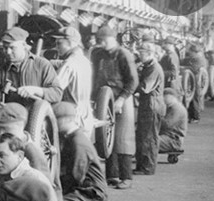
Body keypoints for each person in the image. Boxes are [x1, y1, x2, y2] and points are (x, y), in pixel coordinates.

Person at [90, 25, 138, 189]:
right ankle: (112, 176)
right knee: (106, 138)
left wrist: (122, 99)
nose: (101, 44)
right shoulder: (98, 54)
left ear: (113, 39)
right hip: (104, 100)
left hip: (122, 98)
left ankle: (126, 177)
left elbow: (133, 81)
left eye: (104, 41)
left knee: (123, 138)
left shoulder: (124, 54)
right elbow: (94, 76)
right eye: (99, 41)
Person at [53, 102, 108, 201]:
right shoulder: (72, 137)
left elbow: (75, 176)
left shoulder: (78, 142)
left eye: (56, 121)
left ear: (66, 120)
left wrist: (57, 193)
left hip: (91, 194)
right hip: (86, 190)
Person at [0, 27, 63, 109]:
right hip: (13, 114)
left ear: (24, 45)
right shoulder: (1, 72)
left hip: (38, 114)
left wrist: (36, 90)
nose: (8, 52)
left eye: (12, 48)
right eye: (5, 48)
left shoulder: (42, 65)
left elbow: (57, 94)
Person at [48, 27, 94, 137]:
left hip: (72, 120)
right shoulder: (84, 61)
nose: (56, 47)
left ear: (71, 43)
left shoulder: (69, 64)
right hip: (85, 116)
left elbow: (54, 90)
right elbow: (62, 63)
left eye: (59, 43)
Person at [134, 42, 166, 175]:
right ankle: (142, 166)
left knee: (149, 137)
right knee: (142, 135)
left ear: (149, 54)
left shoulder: (154, 68)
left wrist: (130, 85)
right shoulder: (148, 66)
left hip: (152, 104)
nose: (139, 56)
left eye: (141, 53)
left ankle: (148, 168)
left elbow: (144, 88)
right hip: (147, 103)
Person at [158, 87, 188, 164]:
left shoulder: (176, 109)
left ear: (171, 97)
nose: (163, 100)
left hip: (173, 140)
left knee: (150, 141)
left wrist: (157, 118)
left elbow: (167, 124)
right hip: (170, 137)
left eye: (164, 97)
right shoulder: (172, 107)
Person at [183, 43, 208, 123]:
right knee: (193, 99)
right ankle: (192, 116)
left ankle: (195, 117)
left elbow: (194, 69)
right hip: (193, 80)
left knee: (194, 99)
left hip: (196, 80)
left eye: (190, 51)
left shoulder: (198, 59)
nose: (189, 53)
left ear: (194, 52)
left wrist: (184, 68)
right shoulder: (195, 58)